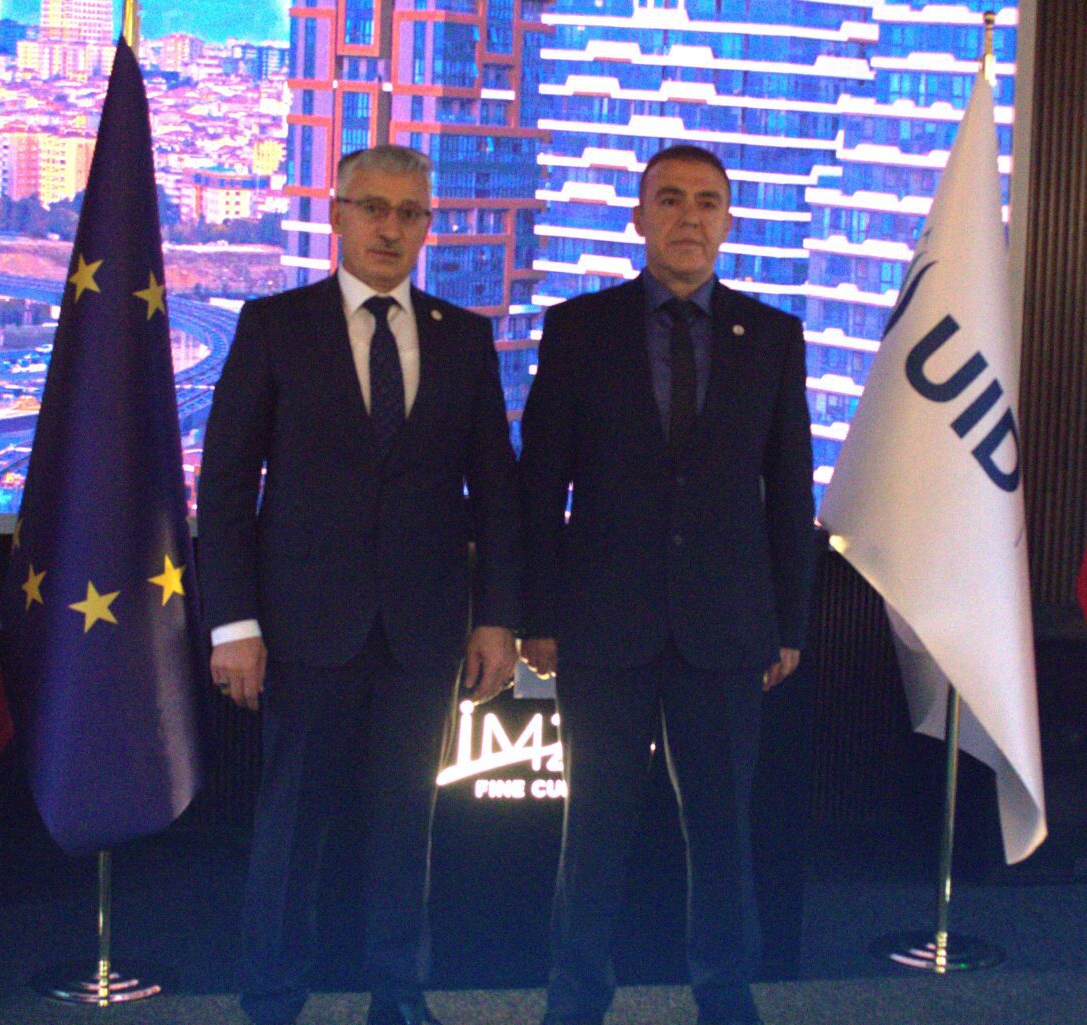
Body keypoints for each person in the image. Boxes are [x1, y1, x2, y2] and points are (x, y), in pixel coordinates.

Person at [197, 144, 520, 1025]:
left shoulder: (464, 337)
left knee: (406, 824)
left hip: (423, 629)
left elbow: (496, 490)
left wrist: (497, 617)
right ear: (337, 214)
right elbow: (226, 482)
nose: (389, 227)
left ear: (427, 226)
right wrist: (233, 624)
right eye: (372, 207)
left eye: (409, 212)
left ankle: (399, 995)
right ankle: (272, 999)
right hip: (301, 628)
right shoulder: (274, 324)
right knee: (291, 829)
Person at [518, 144, 815, 1025]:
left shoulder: (772, 336)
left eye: (708, 201)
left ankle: (725, 995)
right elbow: (541, 484)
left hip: (727, 627)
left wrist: (789, 624)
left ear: (728, 221)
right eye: (672, 199)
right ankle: (575, 999)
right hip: (601, 625)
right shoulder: (579, 328)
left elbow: (789, 491)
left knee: (722, 831)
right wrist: (537, 613)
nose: (690, 216)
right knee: (594, 829)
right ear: (640, 217)